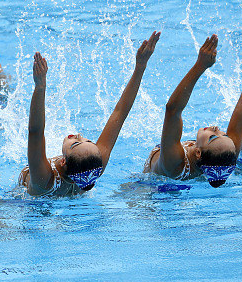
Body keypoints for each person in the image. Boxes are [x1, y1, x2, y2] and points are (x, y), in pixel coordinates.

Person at [21, 31, 160, 195]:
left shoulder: (44, 179)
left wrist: (40, 87)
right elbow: (120, 113)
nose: (77, 134)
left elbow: (35, 132)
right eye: (87, 139)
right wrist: (140, 66)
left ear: (64, 161)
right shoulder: (93, 168)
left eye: (75, 143)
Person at [144, 25, 242, 186]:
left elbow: (172, 110)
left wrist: (200, 66)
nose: (216, 128)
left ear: (198, 153)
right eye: (224, 133)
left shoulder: (174, 163)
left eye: (213, 137)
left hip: (150, 187)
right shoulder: (227, 151)